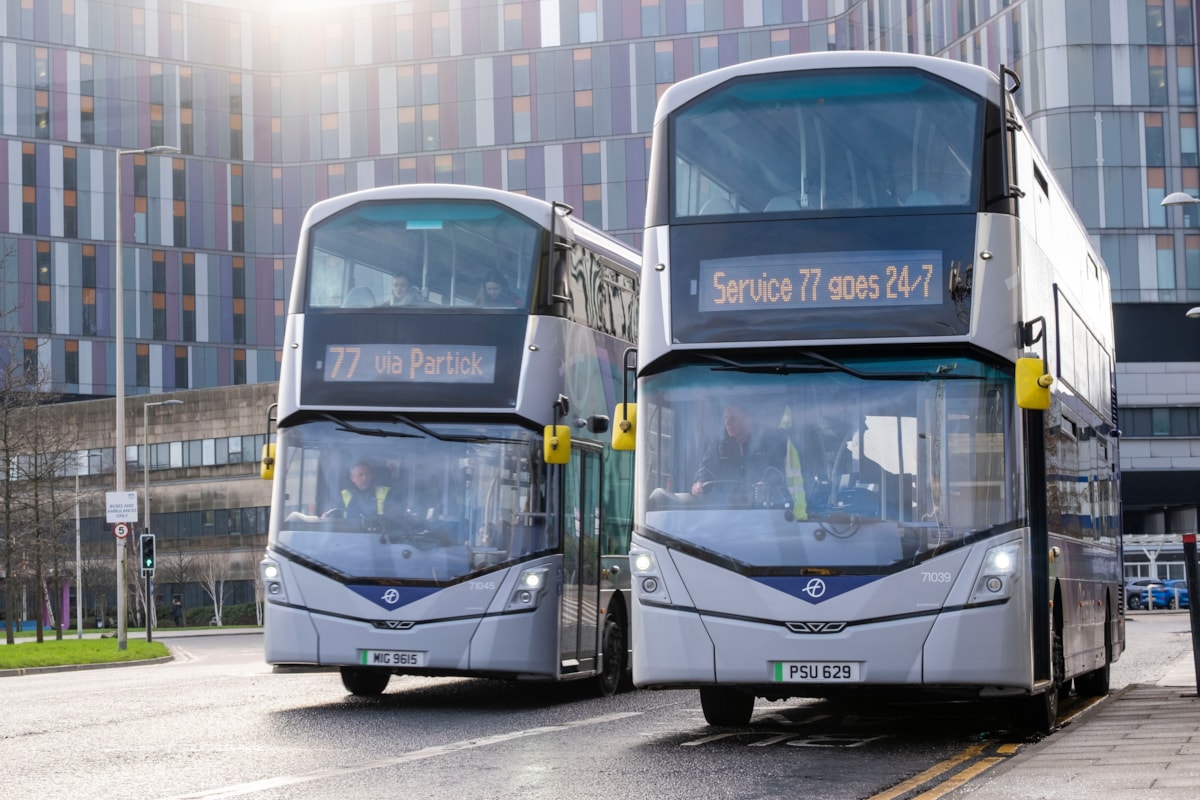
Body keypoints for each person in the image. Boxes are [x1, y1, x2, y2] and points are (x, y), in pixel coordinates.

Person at [690, 403, 789, 505]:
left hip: (760, 507)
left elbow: (776, 469)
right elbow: (706, 468)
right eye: (725, 419)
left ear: (748, 419)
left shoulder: (767, 442)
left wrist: (767, 483)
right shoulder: (718, 445)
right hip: (723, 510)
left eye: (733, 418)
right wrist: (700, 482)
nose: (728, 423)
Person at [326, 461, 397, 520]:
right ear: (352, 478)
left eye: (367, 474)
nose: (364, 478)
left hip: (378, 535)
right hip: (349, 534)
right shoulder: (344, 495)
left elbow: (392, 518)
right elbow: (335, 517)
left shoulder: (385, 493)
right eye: (360, 475)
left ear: (371, 476)